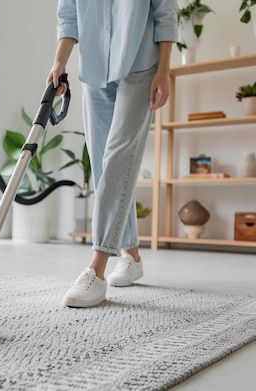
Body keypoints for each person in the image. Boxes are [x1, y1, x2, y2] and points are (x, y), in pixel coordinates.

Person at [47, 0, 177, 308]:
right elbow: (68, 16)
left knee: (118, 161)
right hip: (94, 70)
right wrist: (59, 63)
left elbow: (165, 11)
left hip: (141, 65)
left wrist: (164, 71)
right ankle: (131, 256)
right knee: (105, 169)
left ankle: (97, 268)